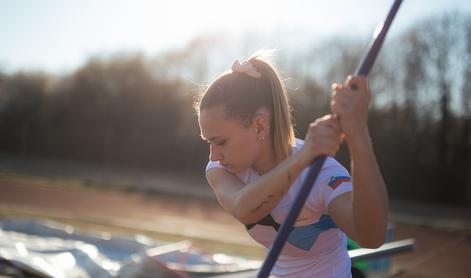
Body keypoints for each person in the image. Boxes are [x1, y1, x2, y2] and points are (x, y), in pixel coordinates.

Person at [195, 51, 389, 277]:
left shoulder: (322, 172)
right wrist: (302, 158)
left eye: (220, 142)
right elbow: (244, 209)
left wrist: (357, 133)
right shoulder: (222, 169)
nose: (213, 155)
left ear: (259, 126)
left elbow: (371, 237)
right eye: (209, 143)